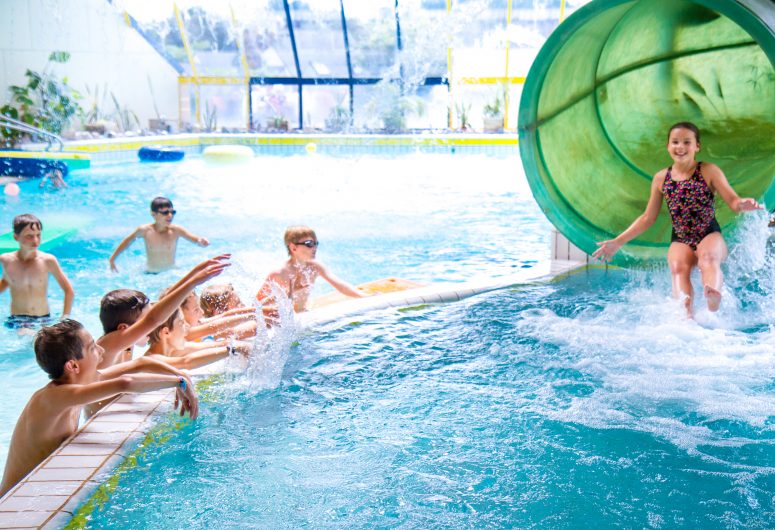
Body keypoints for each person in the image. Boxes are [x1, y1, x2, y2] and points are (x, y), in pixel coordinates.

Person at [0, 319, 198, 497]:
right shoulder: (53, 397)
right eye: (93, 348)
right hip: (9, 504)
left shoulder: (79, 385)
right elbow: (125, 383)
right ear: (73, 366)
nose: (101, 351)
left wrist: (182, 377)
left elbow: (140, 363)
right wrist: (179, 382)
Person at [592, 122, 762, 316]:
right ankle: (686, 312)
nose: (680, 147)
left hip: (709, 234)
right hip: (681, 238)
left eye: (686, 142)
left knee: (708, 258)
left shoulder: (708, 170)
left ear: (697, 146)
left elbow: (733, 201)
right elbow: (648, 217)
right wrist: (618, 242)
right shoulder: (661, 178)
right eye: (675, 142)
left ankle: (713, 298)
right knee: (678, 267)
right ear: (668, 146)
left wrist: (743, 204)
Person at [256, 225, 367, 316]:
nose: (314, 248)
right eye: (309, 244)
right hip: (282, 324)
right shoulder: (279, 274)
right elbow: (257, 304)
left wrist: (363, 297)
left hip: (303, 315)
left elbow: (340, 285)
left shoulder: (314, 267)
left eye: (316, 244)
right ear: (293, 247)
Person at [0, 214, 74, 330]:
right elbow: (7, 281)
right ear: (16, 237)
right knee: (25, 336)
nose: (35, 240)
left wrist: (64, 318)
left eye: (38, 235)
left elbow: (68, 290)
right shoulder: (6, 260)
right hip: (17, 320)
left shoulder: (48, 261)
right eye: (29, 236)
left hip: (43, 319)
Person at [109, 197, 210, 273]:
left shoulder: (176, 230)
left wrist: (202, 241)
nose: (170, 215)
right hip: (150, 273)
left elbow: (196, 240)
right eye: (165, 212)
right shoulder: (145, 230)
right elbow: (127, 242)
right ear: (154, 214)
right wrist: (112, 259)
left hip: (171, 273)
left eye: (172, 212)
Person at [143, 308, 251, 369]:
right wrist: (232, 349)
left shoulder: (173, 350)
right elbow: (186, 362)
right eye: (181, 323)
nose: (187, 326)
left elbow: (214, 345)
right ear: (166, 332)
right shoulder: (152, 358)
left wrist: (236, 346)